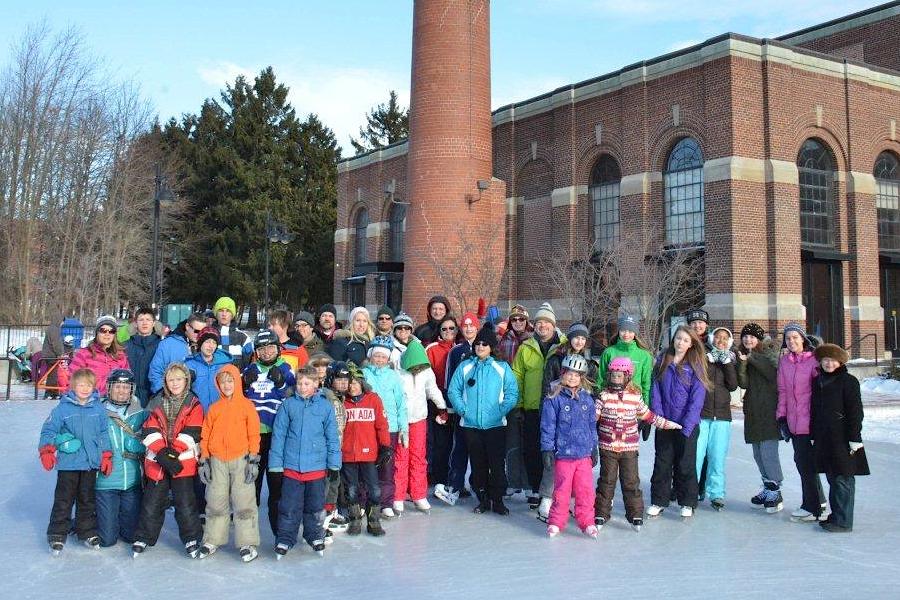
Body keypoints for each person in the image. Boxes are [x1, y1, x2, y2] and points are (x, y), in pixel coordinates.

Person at [595, 358, 681, 531]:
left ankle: (635, 514)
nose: (616, 379)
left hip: (629, 449)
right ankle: (601, 513)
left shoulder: (635, 397)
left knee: (631, 481)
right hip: (608, 448)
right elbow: (591, 419)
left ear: (628, 377)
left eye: (619, 376)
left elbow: (649, 416)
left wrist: (670, 424)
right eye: (613, 376)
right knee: (607, 481)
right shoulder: (604, 396)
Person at [131, 362, 204, 558]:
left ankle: (192, 537)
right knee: (152, 501)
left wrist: (173, 453)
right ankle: (144, 536)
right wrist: (162, 453)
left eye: (179, 379)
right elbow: (149, 428)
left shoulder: (193, 403)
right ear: (165, 382)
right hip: (157, 461)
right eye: (171, 380)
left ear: (186, 381)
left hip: (183, 462)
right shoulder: (156, 400)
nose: (174, 383)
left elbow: (194, 430)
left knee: (185, 502)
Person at [268, 366, 341, 558]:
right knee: (289, 507)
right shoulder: (288, 405)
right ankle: (285, 538)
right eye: (299, 383)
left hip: (316, 468)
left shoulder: (325, 406)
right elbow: (279, 436)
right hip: (292, 468)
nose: (302, 387)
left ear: (316, 384)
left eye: (307, 383)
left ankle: (315, 535)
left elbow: (332, 437)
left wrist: (334, 464)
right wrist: (276, 465)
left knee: (315, 507)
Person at [39, 368, 113, 554]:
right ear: (73, 386)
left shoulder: (98, 409)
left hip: (90, 464)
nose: (85, 389)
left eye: (89, 385)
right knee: (64, 500)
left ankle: (86, 531)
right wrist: (47, 450)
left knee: (87, 500)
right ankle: (57, 533)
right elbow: (49, 430)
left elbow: (104, 433)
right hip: (69, 464)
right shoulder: (62, 408)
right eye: (81, 385)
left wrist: (106, 455)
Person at [447, 323, 519, 515]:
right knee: (478, 466)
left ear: (491, 347)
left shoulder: (501, 367)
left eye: (484, 344)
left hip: (495, 425)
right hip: (471, 425)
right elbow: (454, 390)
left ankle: (498, 500)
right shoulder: (465, 366)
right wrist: (463, 410)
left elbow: (512, 392)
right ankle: (483, 499)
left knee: (496, 465)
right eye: (477, 343)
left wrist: (500, 411)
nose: (480, 347)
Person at [196, 364, 262, 562]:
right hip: (217, 460)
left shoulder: (247, 406)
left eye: (230, 380)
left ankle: (247, 542)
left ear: (237, 381)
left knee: (244, 502)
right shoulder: (214, 408)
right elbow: (205, 434)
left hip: (241, 459)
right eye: (222, 381)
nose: (226, 385)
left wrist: (253, 458)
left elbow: (254, 434)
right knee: (215, 500)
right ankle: (213, 538)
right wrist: (204, 458)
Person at [536, 322, 599, 521]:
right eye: (576, 337)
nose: (579, 341)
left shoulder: (589, 364)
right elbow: (548, 387)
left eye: (583, 338)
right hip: (558, 414)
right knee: (555, 462)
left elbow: (592, 391)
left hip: (579, 419)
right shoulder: (556, 358)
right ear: (570, 337)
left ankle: (570, 500)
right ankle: (547, 498)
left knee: (575, 465)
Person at [647, 325, 710, 519]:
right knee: (662, 463)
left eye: (685, 340)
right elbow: (655, 389)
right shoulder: (663, 360)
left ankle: (687, 502)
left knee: (685, 464)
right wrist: (660, 418)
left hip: (686, 425)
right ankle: (659, 500)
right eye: (678, 338)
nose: (680, 342)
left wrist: (687, 425)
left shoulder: (696, 365)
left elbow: (697, 398)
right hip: (665, 423)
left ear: (691, 344)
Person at [242, 329, 297, 535]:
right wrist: (244, 383)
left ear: (278, 349)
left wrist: (282, 383)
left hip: (276, 435)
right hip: (254, 435)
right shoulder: (250, 369)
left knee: (276, 485)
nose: (266, 352)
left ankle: (279, 531)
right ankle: (249, 531)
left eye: (271, 348)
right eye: (262, 349)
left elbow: (294, 395)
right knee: (251, 484)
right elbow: (239, 396)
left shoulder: (285, 368)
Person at [810, 343, 869, 533]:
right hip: (824, 438)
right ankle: (836, 515)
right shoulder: (818, 381)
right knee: (832, 476)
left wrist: (854, 437)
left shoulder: (848, 381)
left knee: (843, 478)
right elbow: (815, 410)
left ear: (840, 362)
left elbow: (855, 411)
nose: (828, 364)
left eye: (833, 360)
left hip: (843, 438)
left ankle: (843, 521)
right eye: (825, 360)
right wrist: (813, 434)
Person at [512, 302, 563, 508]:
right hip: (532, 407)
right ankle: (535, 489)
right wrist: (519, 404)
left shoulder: (563, 346)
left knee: (555, 453)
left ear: (553, 325)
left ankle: (555, 491)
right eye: (539, 322)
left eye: (547, 322)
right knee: (533, 450)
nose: (543, 326)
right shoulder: (526, 347)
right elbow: (517, 375)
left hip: (557, 408)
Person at [776, 322, 826, 523]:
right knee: (803, 462)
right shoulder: (785, 362)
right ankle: (818, 501)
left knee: (807, 464)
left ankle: (811, 507)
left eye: (795, 337)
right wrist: (781, 417)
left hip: (811, 422)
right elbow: (783, 392)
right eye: (788, 338)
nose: (791, 341)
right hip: (794, 422)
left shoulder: (814, 361)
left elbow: (821, 391)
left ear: (803, 339)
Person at [96, 369, 148, 548]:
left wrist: (138, 445)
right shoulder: (97, 411)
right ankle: (88, 519)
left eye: (126, 387)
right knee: (107, 540)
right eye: (117, 386)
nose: (121, 391)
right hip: (106, 482)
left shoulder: (139, 412)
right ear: (109, 388)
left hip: (131, 483)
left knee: (130, 535)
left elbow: (151, 437)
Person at [735, 323, 784, 513]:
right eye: (745, 336)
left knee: (768, 452)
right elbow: (743, 382)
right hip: (754, 410)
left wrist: (751, 358)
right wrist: (743, 363)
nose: (748, 340)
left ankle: (775, 489)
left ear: (759, 339)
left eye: (752, 337)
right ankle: (767, 485)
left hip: (769, 410)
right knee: (757, 452)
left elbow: (771, 374)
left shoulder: (770, 355)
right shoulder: (744, 356)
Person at [394, 339, 446, 514]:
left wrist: (441, 406)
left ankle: (418, 494)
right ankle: (398, 495)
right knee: (401, 457)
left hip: (419, 420)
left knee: (418, 457)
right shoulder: (399, 372)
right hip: (401, 421)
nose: (416, 369)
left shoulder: (426, 371)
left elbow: (433, 390)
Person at [434, 312, 480, 505]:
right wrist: (451, 407)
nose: (468, 328)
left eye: (472, 325)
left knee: (481, 451)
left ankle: (482, 487)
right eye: (465, 325)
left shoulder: (486, 348)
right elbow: (449, 381)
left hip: (483, 410)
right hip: (463, 410)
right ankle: (455, 486)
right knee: (460, 448)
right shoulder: (456, 351)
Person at [341, 363, 392, 536]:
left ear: (362, 383)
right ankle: (355, 519)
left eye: (355, 383)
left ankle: (373, 520)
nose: (352, 387)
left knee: (374, 489)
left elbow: (382, 425)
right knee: (351, 489)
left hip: (369, 452)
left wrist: (385, 446)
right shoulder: (342, 402)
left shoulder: (373, 399)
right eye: (349, 383)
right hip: (347, 453)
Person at [362, 336, 408, 518]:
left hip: (390, 427)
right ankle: (366, 500)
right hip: (368, 427)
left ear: (388, 359)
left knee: (387, 466)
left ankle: (386, 502)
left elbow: (401, 403)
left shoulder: (393, 377)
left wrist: (404, 428)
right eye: (376, 356)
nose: (379, 360)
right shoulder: (364, 374)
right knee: (367, 466)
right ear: (371, 356)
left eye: (383, 357)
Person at [695, 326, 738, 510]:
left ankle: (717, 493)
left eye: (724, 338)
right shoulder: (702, 357)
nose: (721, 341)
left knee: (717, 457)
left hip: (721, 416)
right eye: (718, 337)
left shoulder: (730, 359)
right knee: (696, 456)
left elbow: (733, 385)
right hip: (701, 415)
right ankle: (692, 490)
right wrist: (708, 360)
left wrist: (726, 362)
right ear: (712, 339)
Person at [497, 304, 532, 497]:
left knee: (527, 442)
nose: (518, 322)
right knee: (511, 442)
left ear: (527, 321)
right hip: (509, 397)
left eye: (521, 319)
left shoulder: (532, 340)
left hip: (529, 398)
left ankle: (527, 483)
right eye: (514, 319)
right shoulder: (504, 340)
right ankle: (513, 480)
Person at [426, 316, 458, 493]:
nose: (448, 332)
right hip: (438, 403)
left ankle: (455, 480)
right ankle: (440, 479)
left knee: (457, 445)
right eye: (444, 329)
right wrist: (437, 403)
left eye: (451, 328)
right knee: (441, 444)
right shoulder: (432, 349)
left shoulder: (459, 348)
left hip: (457, 402)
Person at [322, 361, 351, 539]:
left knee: (333, 485)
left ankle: (328, 515)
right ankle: (320, 524)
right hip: (325, 453)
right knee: (325, 487)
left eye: (346, 379)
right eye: (339, 379)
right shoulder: (327, 398)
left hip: (335, 451)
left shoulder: (339, 398)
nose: (343, 383)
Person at [68, 315, 131, 396]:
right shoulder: (84, 354)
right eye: (103, 330)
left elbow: (127, 381)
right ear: (97, 333)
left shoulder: (121, 356)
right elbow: (72, 380)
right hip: (89, 401)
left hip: (114, 402)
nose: (107, 334)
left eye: (111, 331)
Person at [148, 313, 206, 395]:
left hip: (200, 402)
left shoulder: (207, 345)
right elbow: (155, 373)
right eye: (197, 331)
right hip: (173, 400)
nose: (199, 335)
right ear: (187, 326)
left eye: (203, 332)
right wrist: (165, 395)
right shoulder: (168, 344)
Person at [184, 326, 232, 412]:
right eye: (207, 342)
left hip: (220, 413)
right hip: (197, 414)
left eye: (214, 342)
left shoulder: (224, 365)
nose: (211, 346)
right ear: (200, 343)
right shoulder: (190, 365)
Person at [123, 307, 161, 407]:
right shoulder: (125, 346)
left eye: (148, 320)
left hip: (153, 398)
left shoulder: (161, 346)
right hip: (128, 397)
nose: (145, 323)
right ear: (135, 323)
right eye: (141, 320)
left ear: (153, 323)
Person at [213, 296, 252, 367]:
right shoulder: (208, 335)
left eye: (228, 311)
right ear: (216, 313)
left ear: (232, 315)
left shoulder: (243, 338)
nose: (224, 314)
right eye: (221, 310)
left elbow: (249, 365)